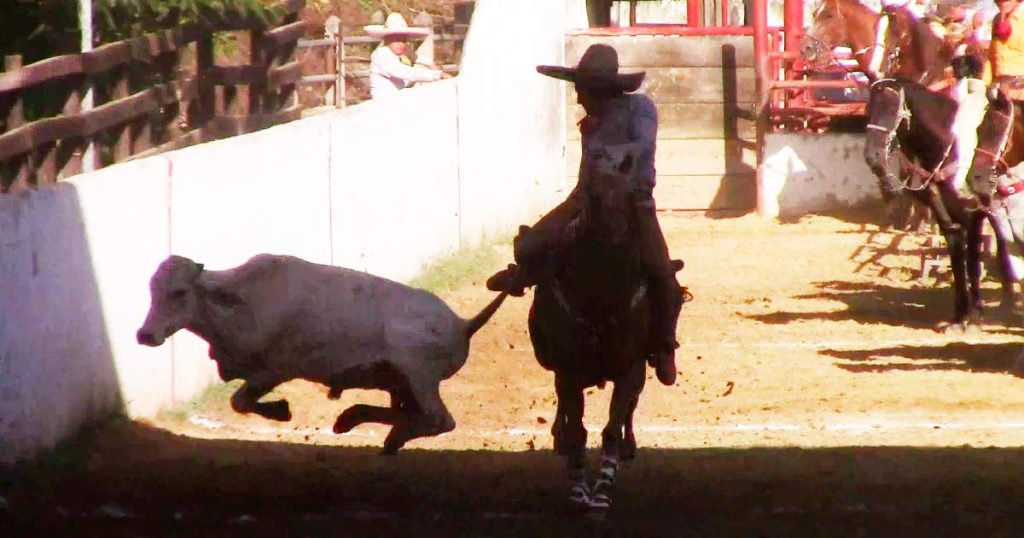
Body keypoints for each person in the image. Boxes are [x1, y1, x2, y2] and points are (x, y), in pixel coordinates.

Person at [484, 44, 683, 386]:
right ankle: (525, 272)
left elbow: (642, 147)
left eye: (581, 90)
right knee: (529, 245)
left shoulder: (640, 110)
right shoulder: (592, 120)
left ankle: (664, 344)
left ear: (596, 89)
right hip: (586, 198)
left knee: (661, 271)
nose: (578, 98)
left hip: (635, 204)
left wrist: (608, 159)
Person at [365, 13, 448, 99]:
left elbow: (414, 57)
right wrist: (437, 75)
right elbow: (405, 72)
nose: (401, 44)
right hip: (383, 105)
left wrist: (430, 63)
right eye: (396, 40)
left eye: (403, 41)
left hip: (396, 102)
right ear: (387, 39)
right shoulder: (382, 54)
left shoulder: (396, 53)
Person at [988, 0, 1024, 98]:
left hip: (1020, 89)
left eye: (1005, 0)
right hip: (1000, 87)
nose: (1001, 4)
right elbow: (993, 52)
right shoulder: (997, 19)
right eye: (997, 1)